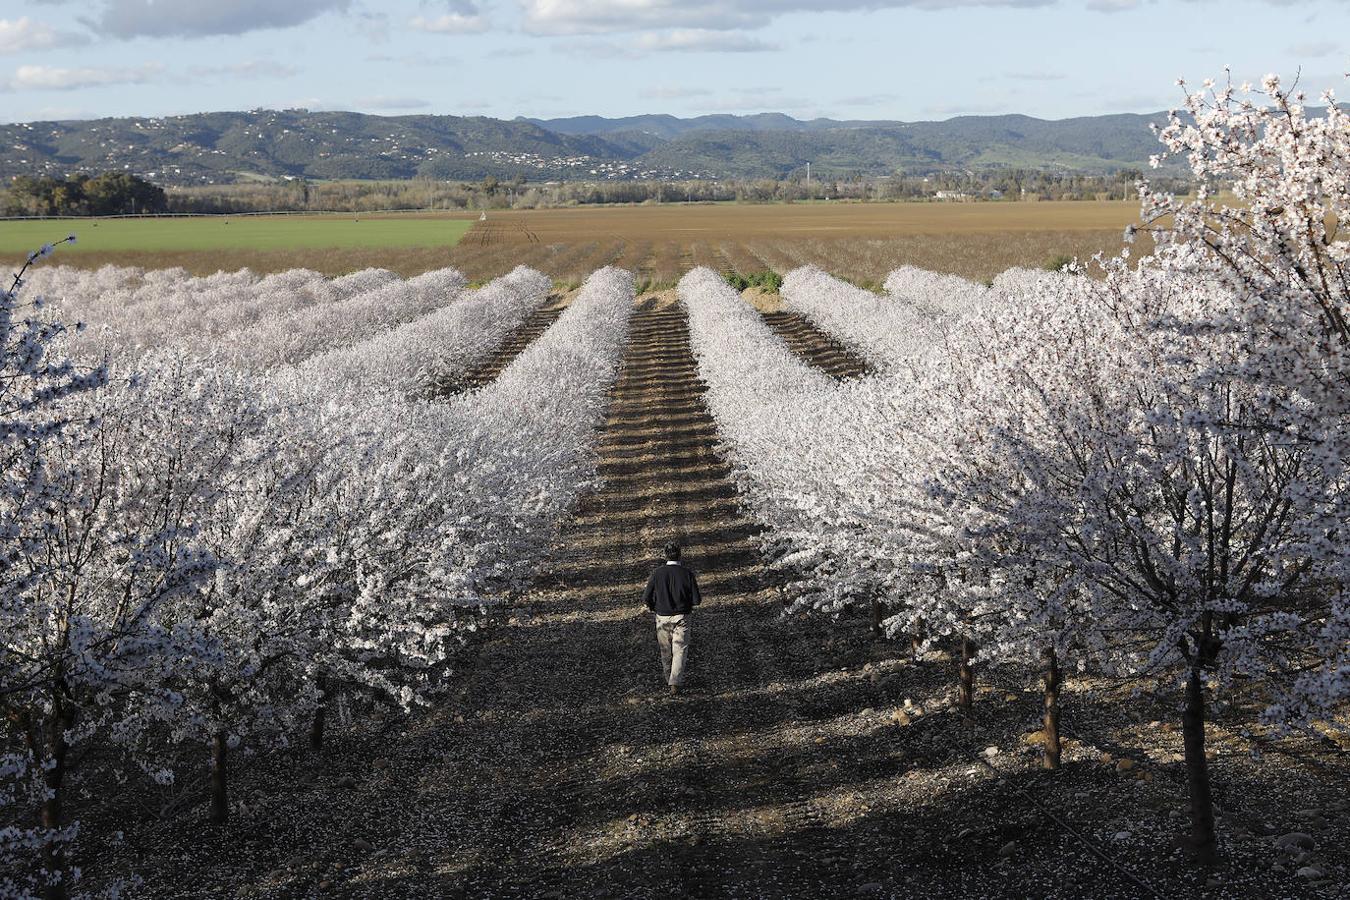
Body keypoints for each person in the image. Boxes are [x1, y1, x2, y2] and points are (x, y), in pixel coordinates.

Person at [642, 542, 702, 696]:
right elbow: (696, 600)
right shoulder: (687, 574)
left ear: (665, 555)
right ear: (680, 554)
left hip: (662, 616)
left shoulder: (657, 573)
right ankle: (675, 682)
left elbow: (646, 597)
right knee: (680, 649)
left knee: (665, 650)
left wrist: (654, 606)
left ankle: (668, 676)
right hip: (682, 616)